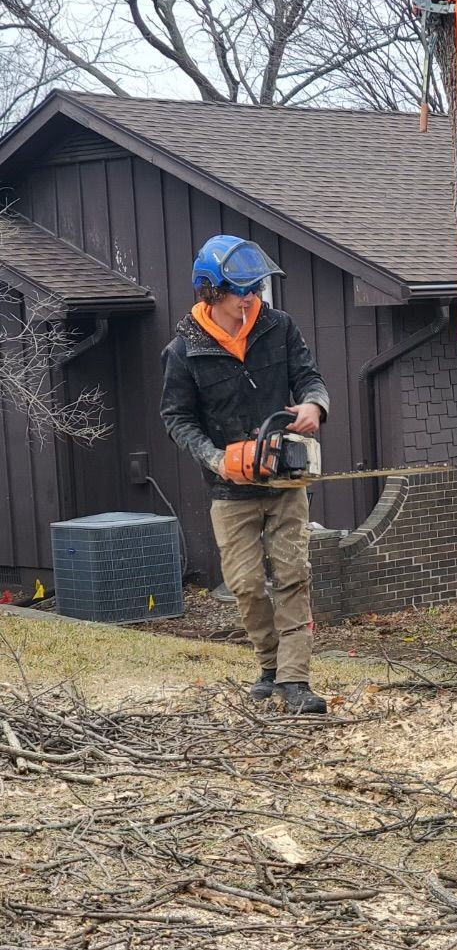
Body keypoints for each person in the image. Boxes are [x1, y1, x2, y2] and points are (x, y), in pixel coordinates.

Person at [160, 235, 330, 714]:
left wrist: (315, 404)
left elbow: (309, 376)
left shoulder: (279, 327)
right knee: (247, 585)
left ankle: (296, 681)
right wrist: (216, 458)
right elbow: (176, 419)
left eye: (255, 288)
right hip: (228, 487)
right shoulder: (182, 351)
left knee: (294, 575)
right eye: (241, 290)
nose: (251, 297)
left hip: (285, 480)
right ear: (209, 292)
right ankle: (270, 666)